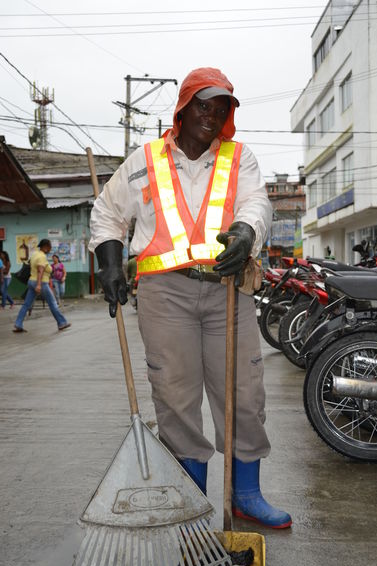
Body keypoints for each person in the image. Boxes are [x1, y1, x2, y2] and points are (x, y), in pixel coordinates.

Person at [89, 67, 291, 528]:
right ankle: (192, 504)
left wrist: (245, 230)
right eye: (204, 104)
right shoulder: (144, 160)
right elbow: (107, 213)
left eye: (222, 108)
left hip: (227, 290)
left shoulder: (240, 159)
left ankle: (245, 494)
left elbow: (256, 204)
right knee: (176, 399)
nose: (213, 114)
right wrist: (109, 262)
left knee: (244, 392)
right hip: (166, 296)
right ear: (182, 108)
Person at [13, 239, 71, 333]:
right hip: (41, 283)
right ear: (46, 246)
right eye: (50, 246)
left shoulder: (35, 254)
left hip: (31, 281)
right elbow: (40, 271)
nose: (50, 248)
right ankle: (62, 323)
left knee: (26, 304)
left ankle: (18, 324)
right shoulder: (42, 257)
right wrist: (39, 285)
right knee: (52, 303)